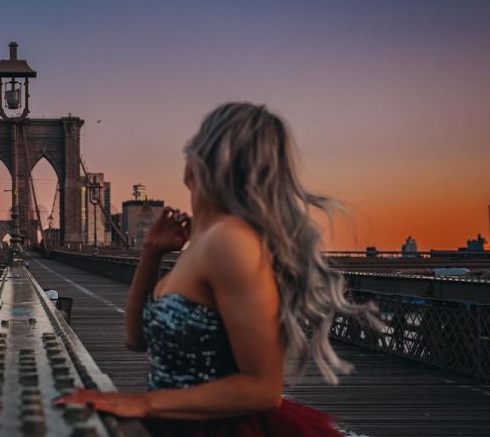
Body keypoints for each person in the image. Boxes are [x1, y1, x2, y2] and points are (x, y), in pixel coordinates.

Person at [57, 102, 378, 436]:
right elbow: (136, 339)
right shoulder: (203, 243)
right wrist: (152, 253)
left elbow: (262, 389)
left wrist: (145, 403)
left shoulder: (231, 242)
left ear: (206, 159)